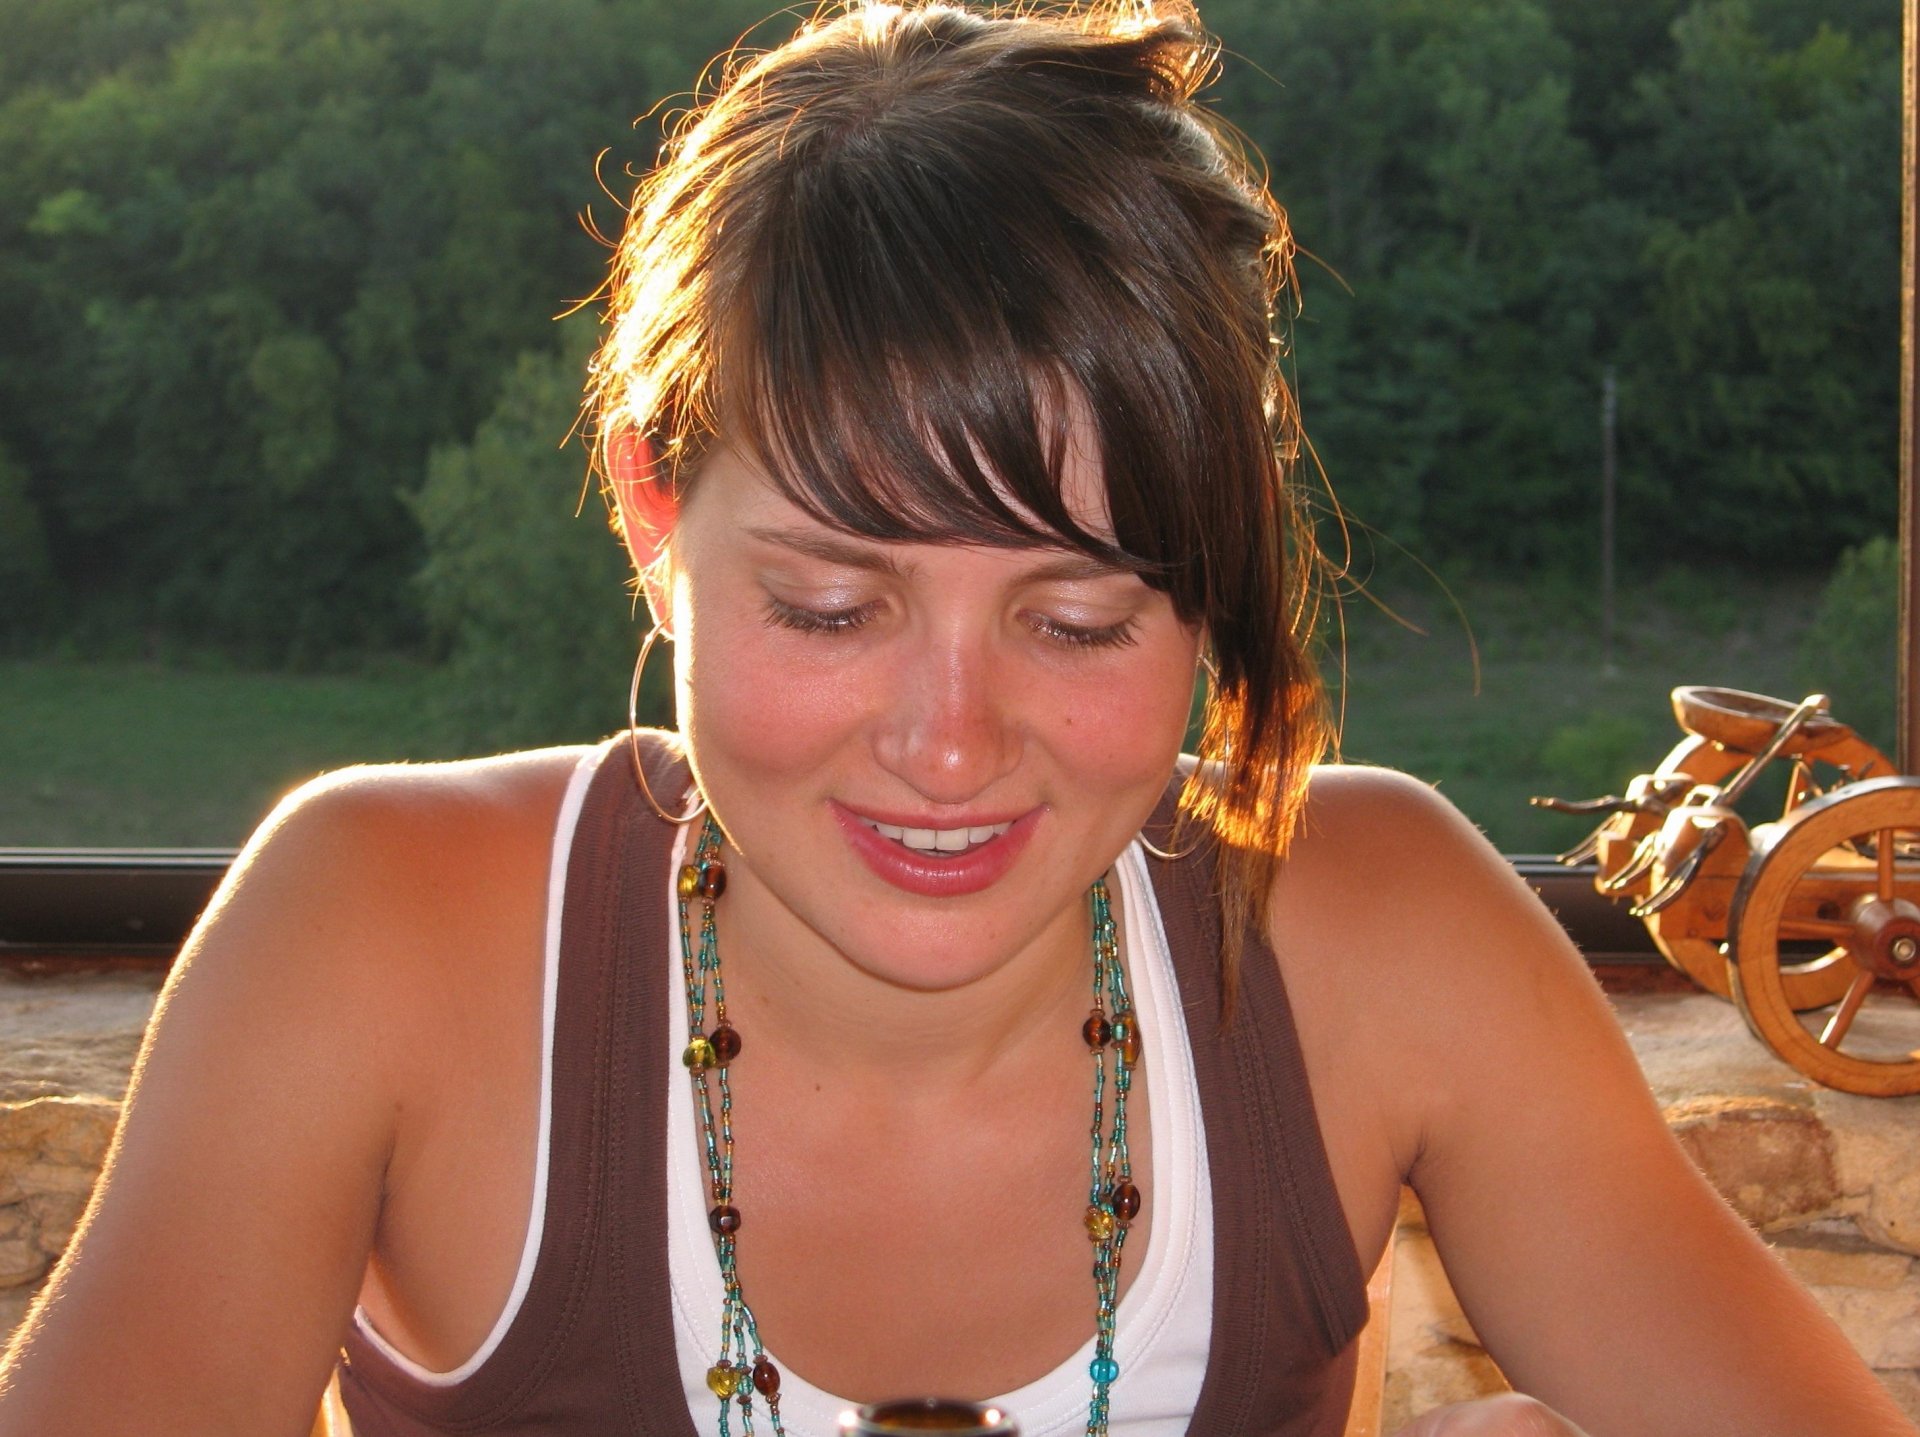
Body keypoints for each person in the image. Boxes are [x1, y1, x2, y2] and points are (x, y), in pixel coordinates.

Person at [0, 3, 1912, 1435]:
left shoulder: (1377, 929)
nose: (947, 742)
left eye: (1078, 620)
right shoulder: (373, 934)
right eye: (832, 607)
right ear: (654, 512)